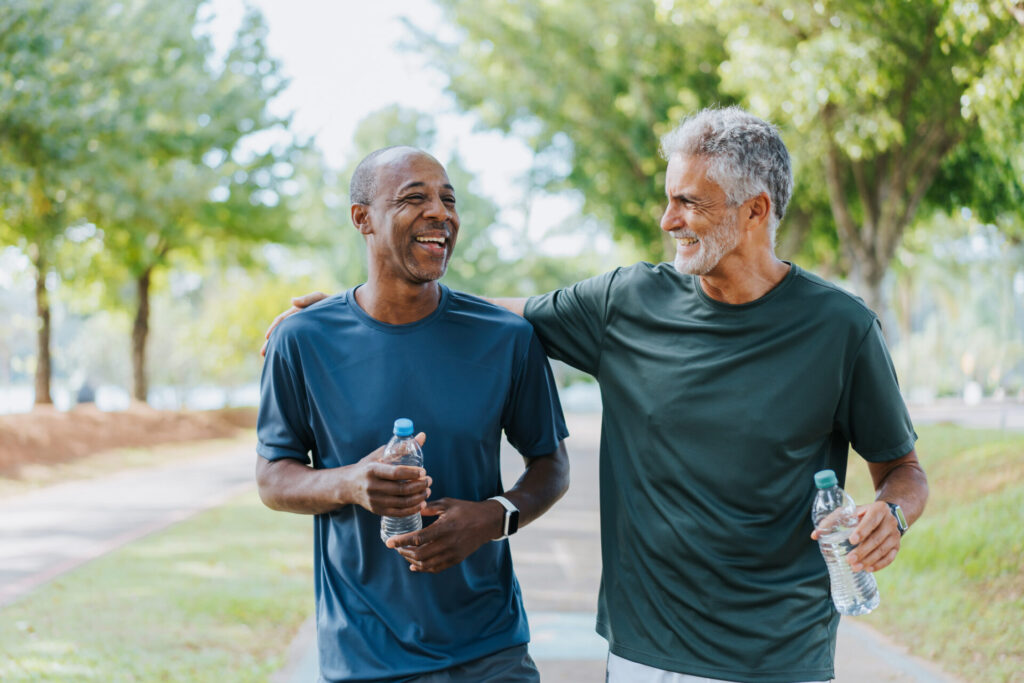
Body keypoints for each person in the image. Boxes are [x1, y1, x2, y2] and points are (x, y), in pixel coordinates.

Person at [265, 108, 929, 683]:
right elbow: (501, 314)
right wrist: (356, 308)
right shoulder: (628, 301)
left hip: (782, 652)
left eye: (690, 203)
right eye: (670, 198)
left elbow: (903, 470)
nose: (668, 219)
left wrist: (890, 515)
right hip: (646, 651)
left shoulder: (841, 328)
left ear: (756, 210)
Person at [256, 146, 570, 683]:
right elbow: (272, 478)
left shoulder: (505, 338)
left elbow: (551, 465)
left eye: (448, 200)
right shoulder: (302, 340)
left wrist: (494, 516)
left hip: (491, 651)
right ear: (363, 219)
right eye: (414, 198)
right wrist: (352, 483)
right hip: (366, 656)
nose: (440, 213)